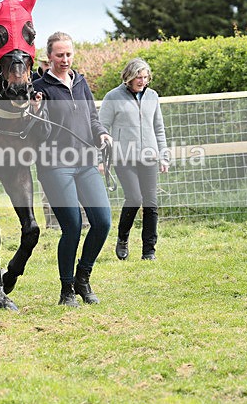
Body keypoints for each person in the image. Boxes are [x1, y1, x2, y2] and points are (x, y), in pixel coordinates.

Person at [32, 31, 112, 307]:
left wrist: (101, 134)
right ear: (49, 56)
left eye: (68, 54)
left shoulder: (80, 82)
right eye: (59, 55)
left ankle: (83, 278)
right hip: (55, 164)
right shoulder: (40, 87)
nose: (65, 60)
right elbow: (39, 133)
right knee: (73, 227)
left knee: (102, 222)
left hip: (86, 161)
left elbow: (92, 116)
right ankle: (67, 290)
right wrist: (36, 109)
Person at [99, 58, 169, 261]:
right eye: (138, 76)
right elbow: (102, 129)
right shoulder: (113, 97)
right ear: (128, 77)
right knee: (134, 198)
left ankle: (149, 250)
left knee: (151, 203)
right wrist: (101, 159)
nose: (142, 80)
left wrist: (163, 156)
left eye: (145, 77)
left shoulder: (153, 96)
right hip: (123, 157)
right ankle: (123, 238)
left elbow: (159, 128)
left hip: (149, 156)